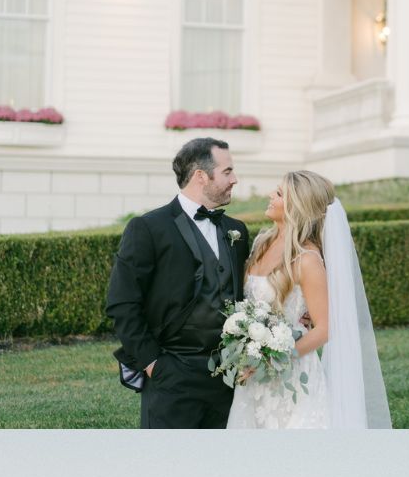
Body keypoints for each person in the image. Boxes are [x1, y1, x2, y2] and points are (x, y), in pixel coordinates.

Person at [226, 169, 391, 430]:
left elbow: (324, 329)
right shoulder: (262, 242)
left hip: (291, 375)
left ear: (296, 207)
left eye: (279, 193)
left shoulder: (307, 259)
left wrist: (274, 358)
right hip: (253, 374)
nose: (271, 195)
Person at [106, 137, 251, 429]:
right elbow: (122, 303)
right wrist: (153, 365)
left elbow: (248, 292)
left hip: (227, 377)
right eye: (227, 171)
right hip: (172, 374)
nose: (234, 179)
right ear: (201, 175)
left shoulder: (236, 231)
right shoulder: (148, 228)